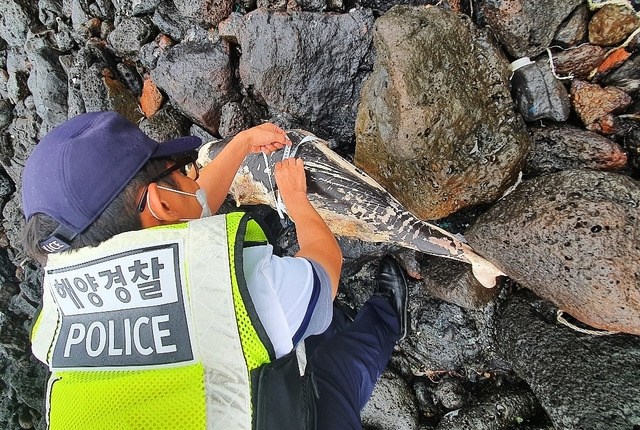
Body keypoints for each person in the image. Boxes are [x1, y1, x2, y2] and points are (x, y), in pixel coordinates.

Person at [21, 111, 408, 430]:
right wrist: (295, 199)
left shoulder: (61, 296)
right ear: (159, 202)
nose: (192, 175)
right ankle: (389, 317)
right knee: (338, 369)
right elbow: (325, 271)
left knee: (306, 326)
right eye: (181, 168)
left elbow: (187, 202)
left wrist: (241, 145)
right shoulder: (229, 293)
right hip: (298, 419)